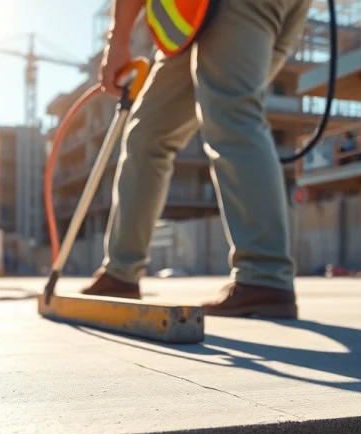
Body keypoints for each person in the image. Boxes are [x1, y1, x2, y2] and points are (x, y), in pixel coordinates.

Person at [80, 0, 310, 319]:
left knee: (233, 114)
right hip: (195, 16)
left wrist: (118, 42)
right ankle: (120, 273)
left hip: (230, 7)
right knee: (147, 134)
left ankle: (265, 278)